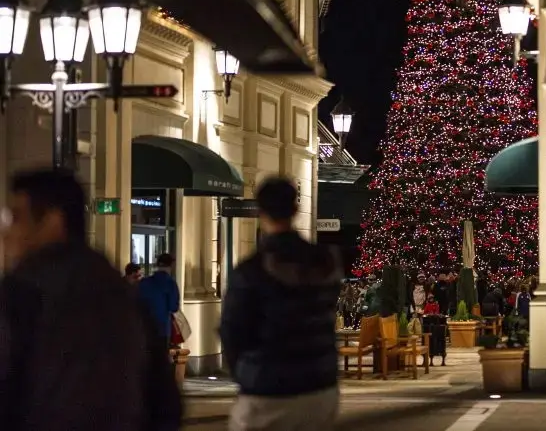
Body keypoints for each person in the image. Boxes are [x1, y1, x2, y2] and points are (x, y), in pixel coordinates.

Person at [0, 168, 181, 431]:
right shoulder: (122, 295)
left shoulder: (21, 295)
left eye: (15, 218)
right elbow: (165, 403)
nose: (7, 233)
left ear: (52, 221)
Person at [220, 177, 342, 431]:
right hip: (321, 384)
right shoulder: (326, 262)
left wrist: (245, 375)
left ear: (259, 211)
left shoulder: (250, 271)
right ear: (296, 210)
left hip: (268, 387)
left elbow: (233, 333)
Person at [139, 253, 181, 347]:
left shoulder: (144, 282)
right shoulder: (170, 284)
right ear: (171, 266)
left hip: (144, 326)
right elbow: (173, 307)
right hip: (162, 328)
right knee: (160, 357)